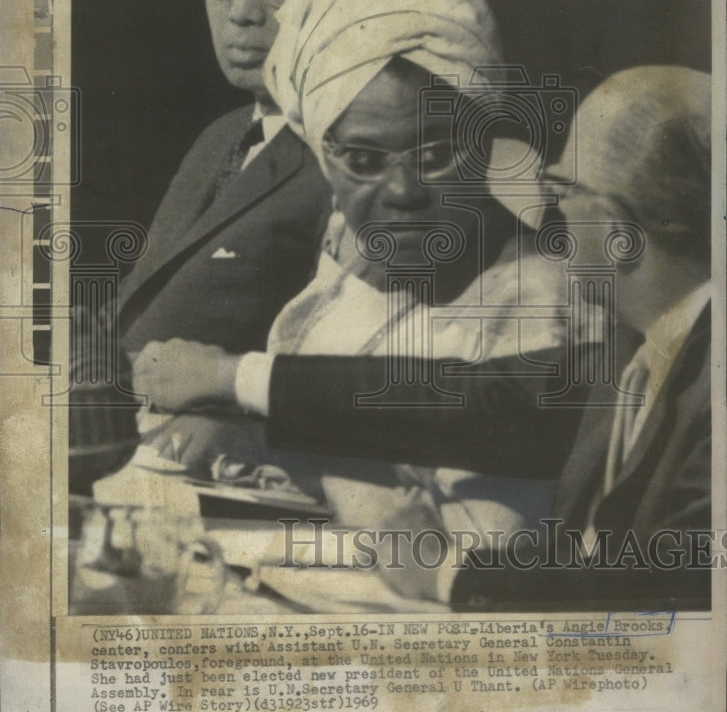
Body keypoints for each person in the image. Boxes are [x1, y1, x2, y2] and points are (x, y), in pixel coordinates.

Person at [214, 64, 709, 610]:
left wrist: (445, 573)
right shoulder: (632, 344)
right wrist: (233, 384)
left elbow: (681, 584)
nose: (550, 211)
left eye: (563, 190)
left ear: (616, 233)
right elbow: (476, 398)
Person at [133, 0, 575, 533]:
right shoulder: (353, 262)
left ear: (485, 142)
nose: (401, 191)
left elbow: (486, 540)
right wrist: (254, 442)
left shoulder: (539, 303)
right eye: (362, 160)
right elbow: (354, 430)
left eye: (437, 153)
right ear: (325, 164)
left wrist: (241, 394)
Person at [117, 0, 384, 359]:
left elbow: (336, 381)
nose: (240, 12)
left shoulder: (365, 160)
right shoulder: (223, 134)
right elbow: (140, 307)